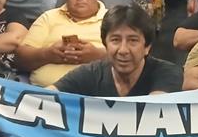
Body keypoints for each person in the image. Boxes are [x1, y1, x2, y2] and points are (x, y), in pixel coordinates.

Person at [50, 5, 182, 96]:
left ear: (147, 47)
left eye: (133, 40)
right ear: (105, 44)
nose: (123, 50)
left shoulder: (167, 73)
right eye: (115, 40)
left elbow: (154, 109)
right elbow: (45, 98)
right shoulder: (90, 73)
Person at [16, 0, 106, 87]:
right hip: (41, 93)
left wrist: (98, 56)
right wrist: (47, 54)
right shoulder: (48, 17)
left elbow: (129, 58)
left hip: (94, 96)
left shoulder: (114, 19)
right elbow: (20, 59)